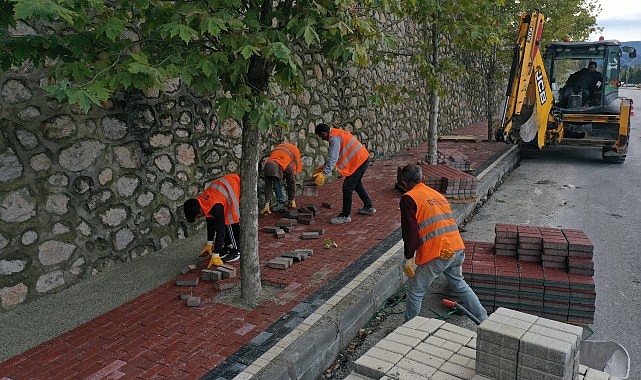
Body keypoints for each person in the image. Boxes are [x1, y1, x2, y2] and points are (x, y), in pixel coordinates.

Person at [398, 164, 487, 323]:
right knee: (460, 284)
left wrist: (408, 258)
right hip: (456, 248)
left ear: (404, 183)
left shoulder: (408, 198)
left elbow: (410, 234)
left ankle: (409, 328)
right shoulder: (437, 195)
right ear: (423, 179)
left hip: (437, 253)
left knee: (415, 291)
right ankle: (482, 318)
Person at [314, 123, 376, 224]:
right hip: (362, 158)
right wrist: (325, 166)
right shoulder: (336, 133)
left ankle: (345, 216)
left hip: (359, 161)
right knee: (356, 184)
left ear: (324, 133)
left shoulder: (334, 138)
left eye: (321, 136)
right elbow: (335, 155)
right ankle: (368, 206)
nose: (322, 139)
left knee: (347, 187)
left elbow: (333, 158)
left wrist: (324, 173)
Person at [183, 173, 241, 268]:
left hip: (235, 186)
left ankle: (237, 250)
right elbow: (210, 223)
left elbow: (220, 230)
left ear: (198, 212)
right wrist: (209, 244)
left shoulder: (215, 207)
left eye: (197, 217)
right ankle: (228, 246)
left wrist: (215, 254)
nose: (198, 218)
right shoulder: (202, 203)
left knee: (230, 222)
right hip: (227, 188)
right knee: (222, 222)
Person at [260, 143, 303, 215]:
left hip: (293, 151)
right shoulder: (268, 167)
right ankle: (281, 201)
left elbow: (291, 182)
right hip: (279, 152)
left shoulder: (286, 166)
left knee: (290, 176)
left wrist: (292, 199)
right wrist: (266, 204)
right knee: (275, 180)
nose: (273, 178)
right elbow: (268, 186)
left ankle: (284, 201)